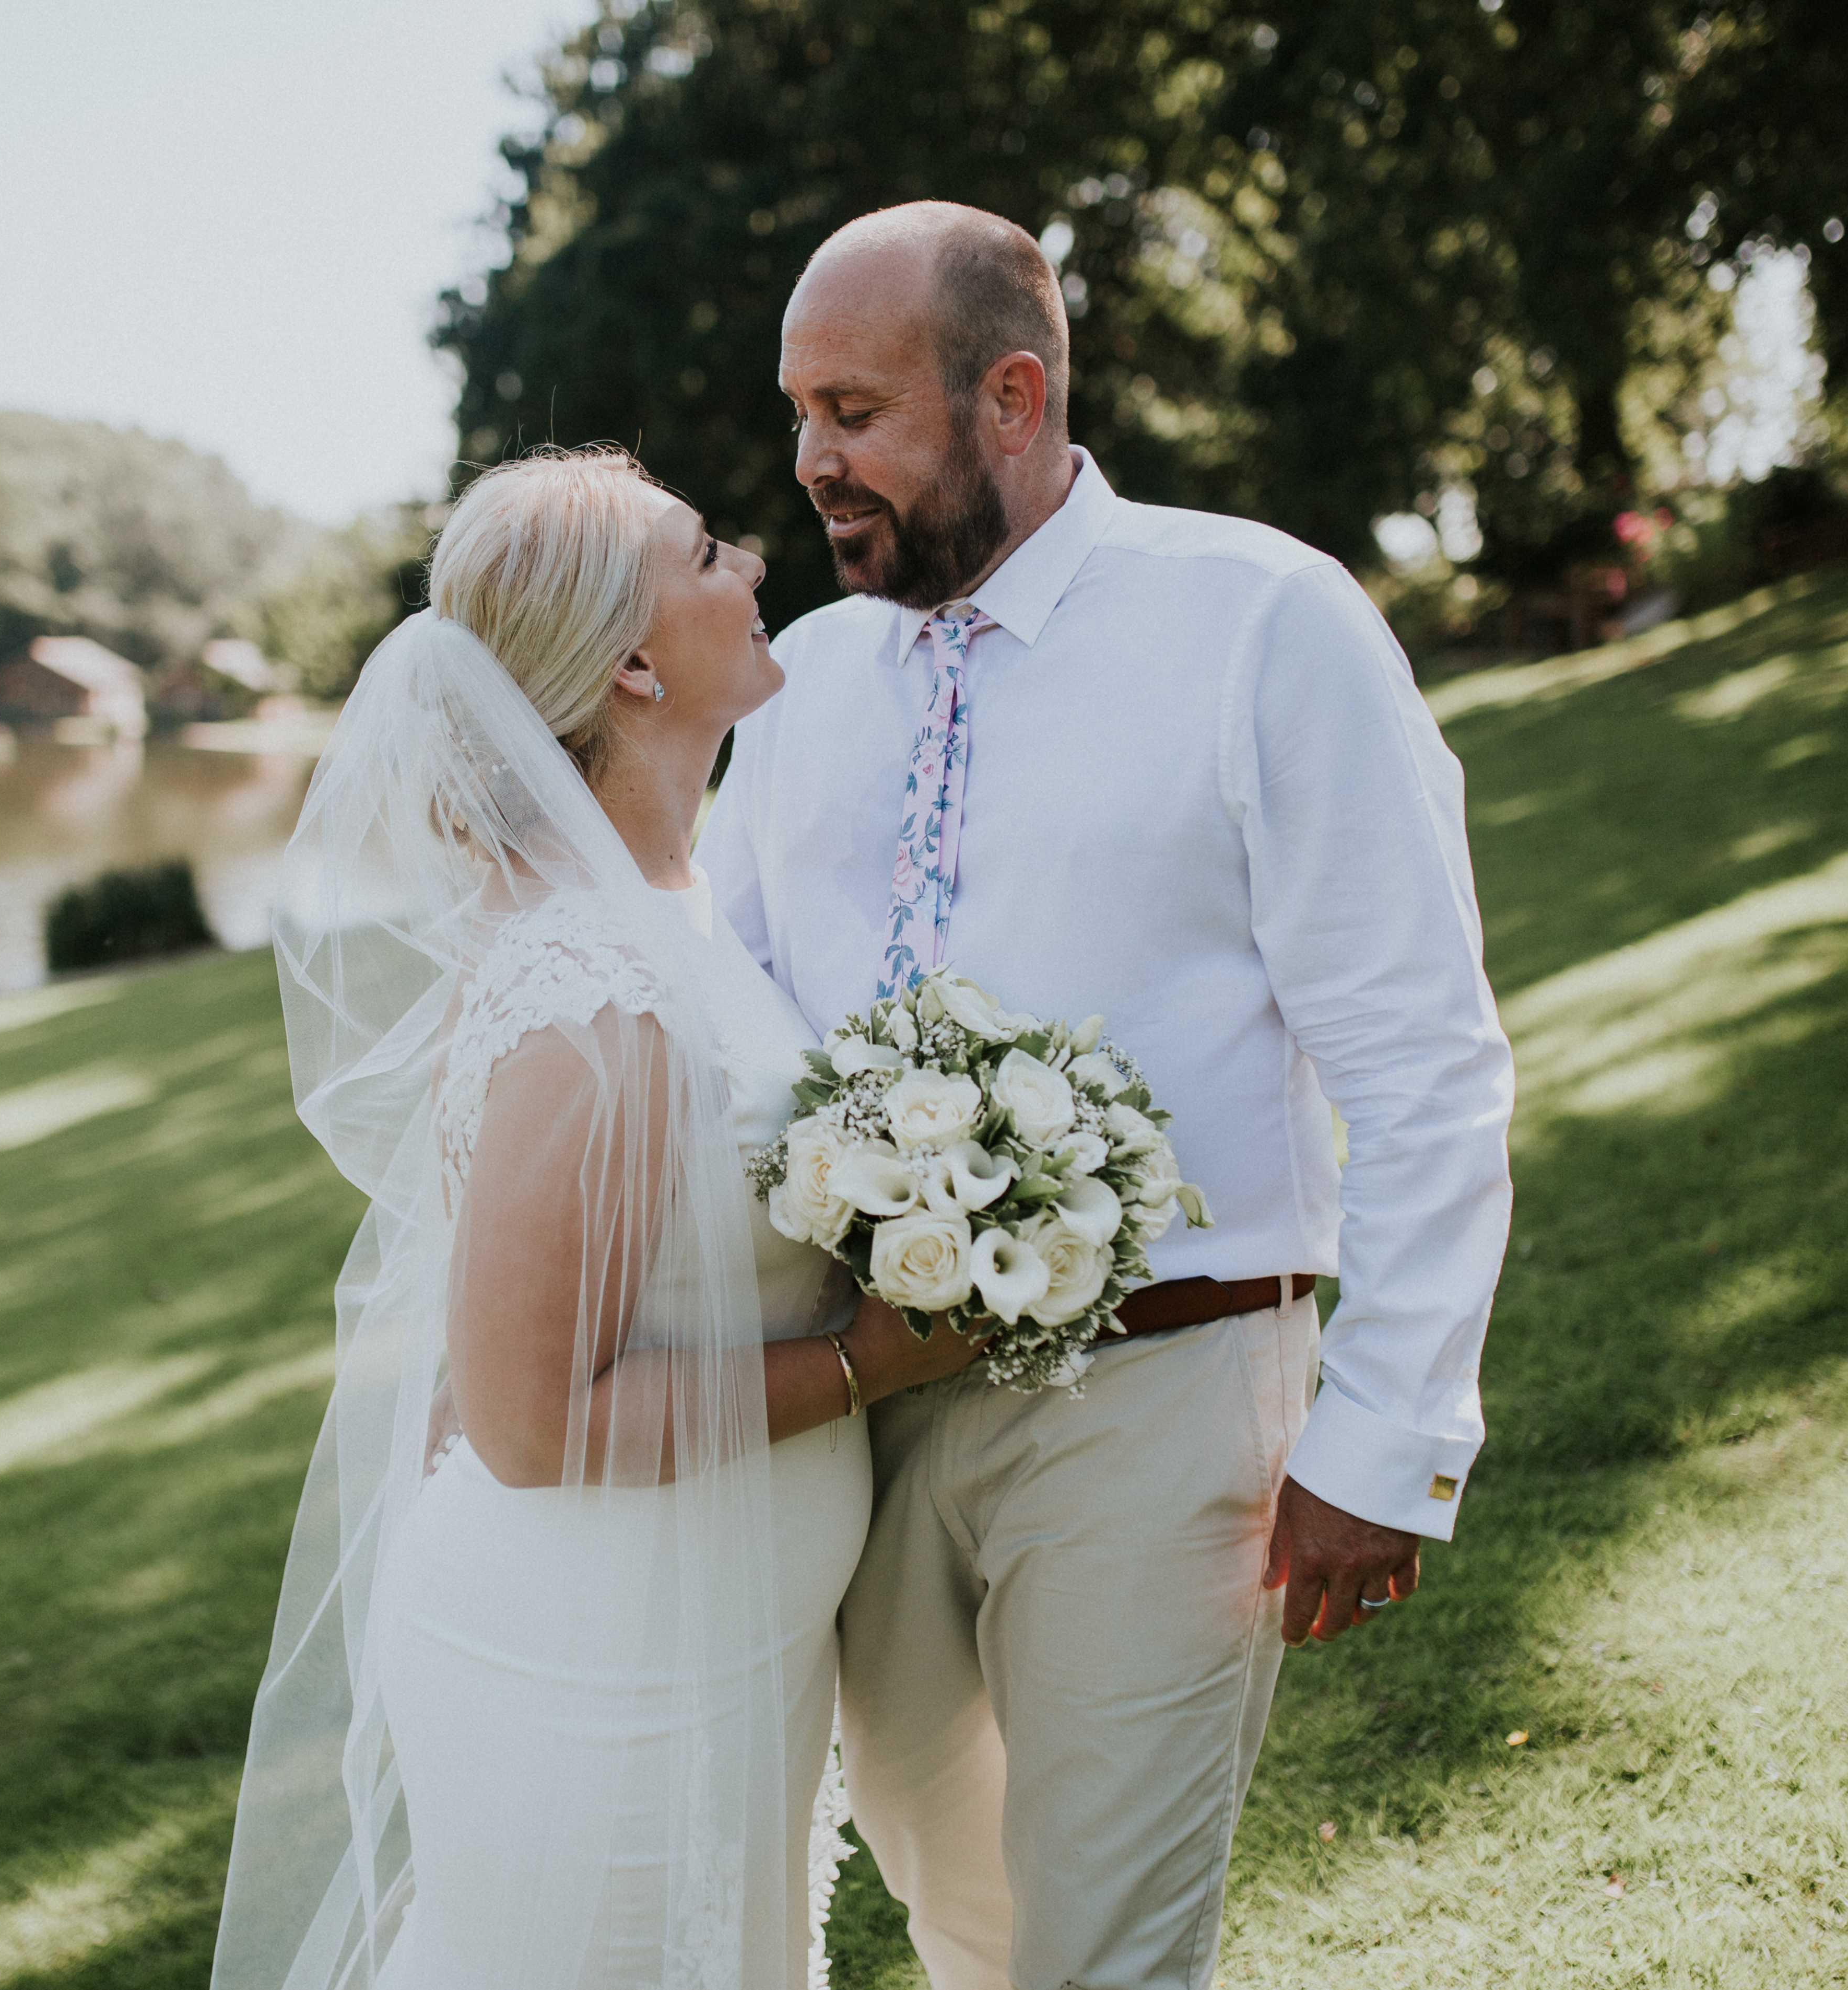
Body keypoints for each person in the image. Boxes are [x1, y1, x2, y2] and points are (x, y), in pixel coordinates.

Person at [697, 203, 1516, 1990]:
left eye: (853, 412)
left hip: (1169, 1383)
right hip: (864, 1411)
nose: (810, 464)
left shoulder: (1261, 621)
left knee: (1101, 1954)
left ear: (1010, 394)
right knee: (959, 1921)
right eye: (798, 414)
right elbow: (715, 1016)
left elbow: (1420, 1052)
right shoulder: (801, 680)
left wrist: (1386, 1432)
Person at [213, 446, 982, 1990]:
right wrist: (869, 1365)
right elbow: (521, 1421)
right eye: (706, 552)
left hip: (711, 1643)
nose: (753, 562)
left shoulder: (673, 913)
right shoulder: (590, 991)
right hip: (595, 1665)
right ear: (630, 665)